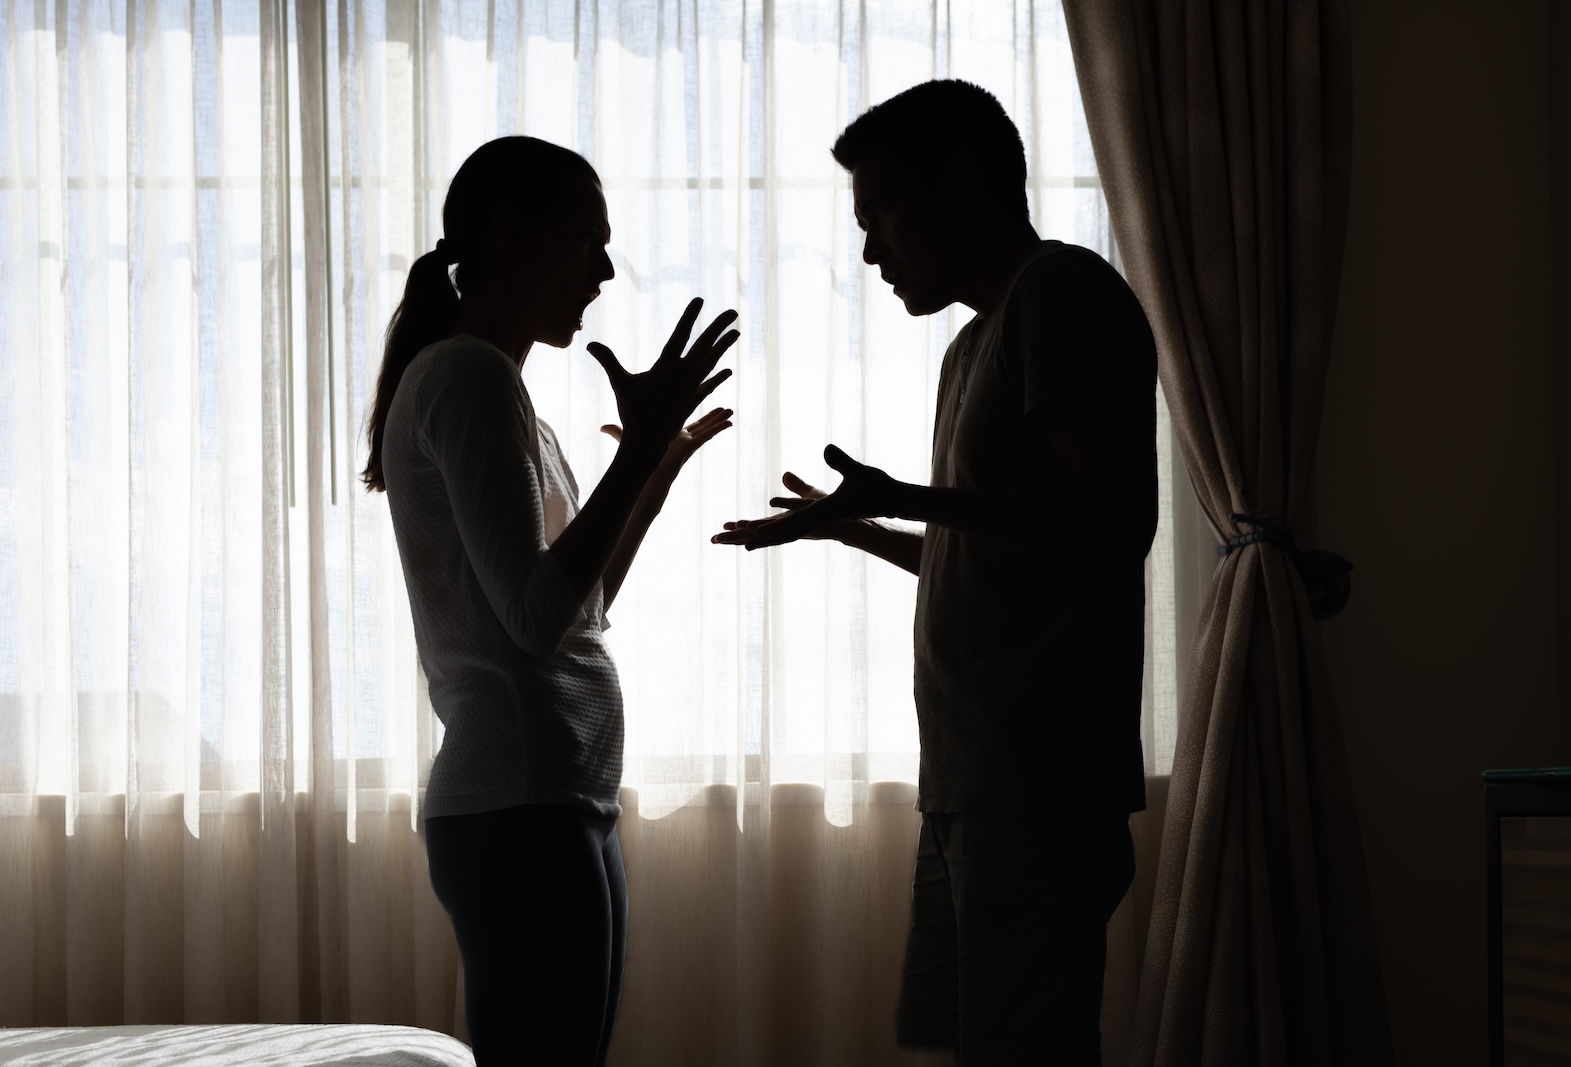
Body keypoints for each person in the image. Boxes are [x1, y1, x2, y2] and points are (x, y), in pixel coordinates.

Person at [713, 81, 1157, 1064]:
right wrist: (862, 527)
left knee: (1026, 1047)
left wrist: (908, 497)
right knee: (968, 1041)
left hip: (1038, 783)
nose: (872, 251)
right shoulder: (971, 344)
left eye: (882, 213)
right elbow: (991, 557)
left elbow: (1115, 516)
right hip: (970, 776)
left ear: (959, 185)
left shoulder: (1061, 292)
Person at [362, 135, 738, 1066]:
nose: (605, 270)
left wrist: (648, 472)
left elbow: (580, 606)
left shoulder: (501, 391)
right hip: (520, 806)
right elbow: (533, 621)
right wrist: (633, 453)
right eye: (587, 242)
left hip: (556, 801)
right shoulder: (469, 374)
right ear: (511, 236)